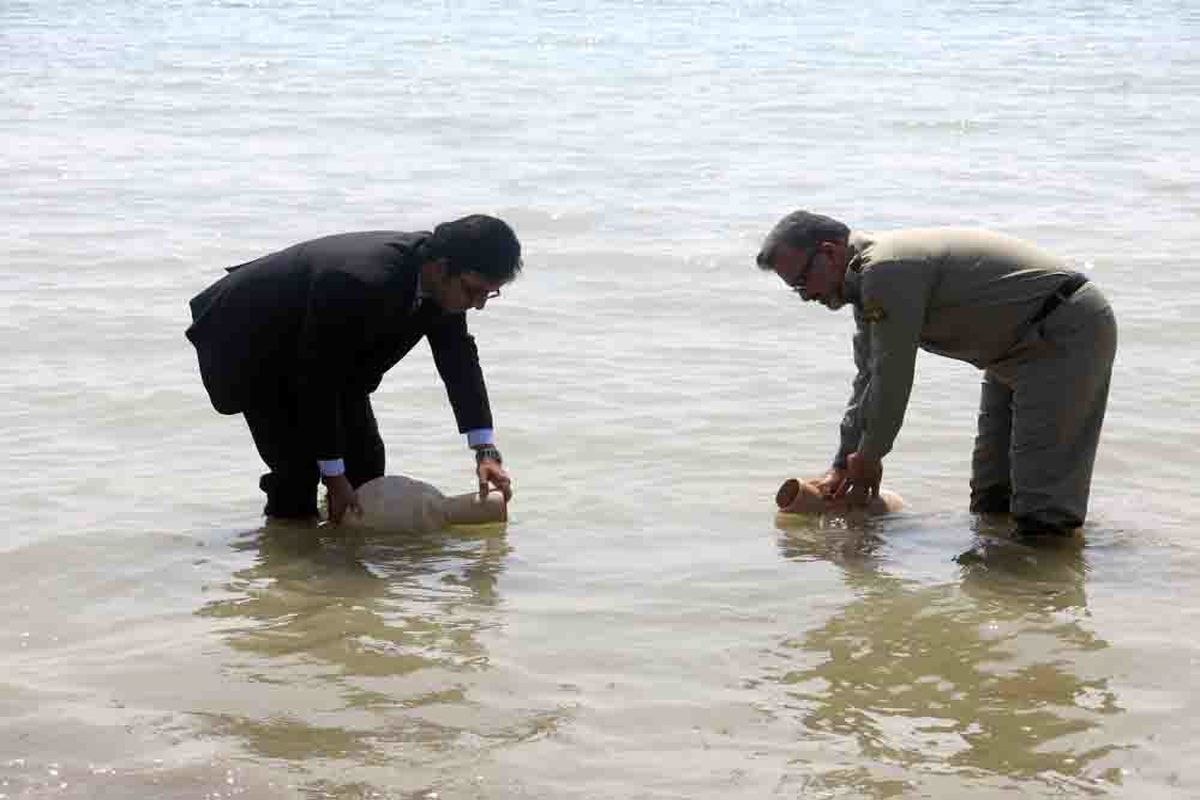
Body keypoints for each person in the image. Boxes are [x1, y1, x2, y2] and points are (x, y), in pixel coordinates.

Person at [757, 211, 1117, 537]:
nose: (806, 297)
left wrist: (869, 456)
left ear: (830, 251)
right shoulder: (864, 285)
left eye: (804, 282)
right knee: (992, 497)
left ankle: (1046, 593)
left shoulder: (886, 271)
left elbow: (892, 376)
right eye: (796, 291)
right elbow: (866, 379)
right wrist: (842, 463)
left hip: (1061, 331)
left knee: (1041, 509)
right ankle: (1004, 599)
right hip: (1009, 351)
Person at [186, 214, 519, 524]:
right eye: (474, 291)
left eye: (489, 295)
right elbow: (317, 377)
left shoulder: (443, 288)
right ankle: (289, 561)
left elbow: (458, 362)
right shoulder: (360, 280)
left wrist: (485, 451)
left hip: (329, 354)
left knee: (367, 464)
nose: (477, 304)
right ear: (441, 267)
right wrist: (333, 475)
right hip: (253, 341)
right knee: (297, 473)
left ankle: (344, 558)